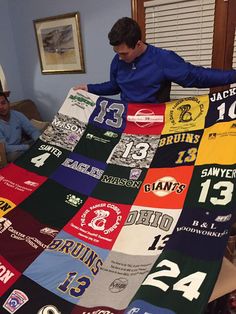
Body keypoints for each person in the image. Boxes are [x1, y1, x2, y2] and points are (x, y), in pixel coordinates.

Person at [73, 17, 236, 104]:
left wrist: (233, 76)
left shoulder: (163, 59)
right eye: (116, 52)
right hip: (128, 119)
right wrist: (88, 88)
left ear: (138, 44)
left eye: (124, 53)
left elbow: (197, 76)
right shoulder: (117, 60)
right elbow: (115, 86)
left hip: (156, 120)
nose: (119, 57)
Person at [0, 91, 40, 162]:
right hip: (7, 153)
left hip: (21, 145)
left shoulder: (17, 115)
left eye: (3, 103)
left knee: (43, 136)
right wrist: (26, 147)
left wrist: (39, 142)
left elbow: (32, 130)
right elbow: (4, 148)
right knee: (14, 156)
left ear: (8, 103)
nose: (1, 107)